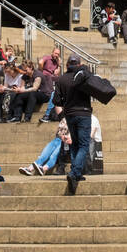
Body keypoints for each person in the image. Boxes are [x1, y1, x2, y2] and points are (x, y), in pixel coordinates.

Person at [52, 55, 95, 195]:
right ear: (79, 64)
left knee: (75, 144)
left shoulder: (61, 79)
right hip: (83, 113)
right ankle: (74, 172)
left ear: (67, 64)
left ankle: (76, 174)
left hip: (69, 114)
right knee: (83, 145)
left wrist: (62, 116)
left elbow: (56, 100)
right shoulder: (83, 76)